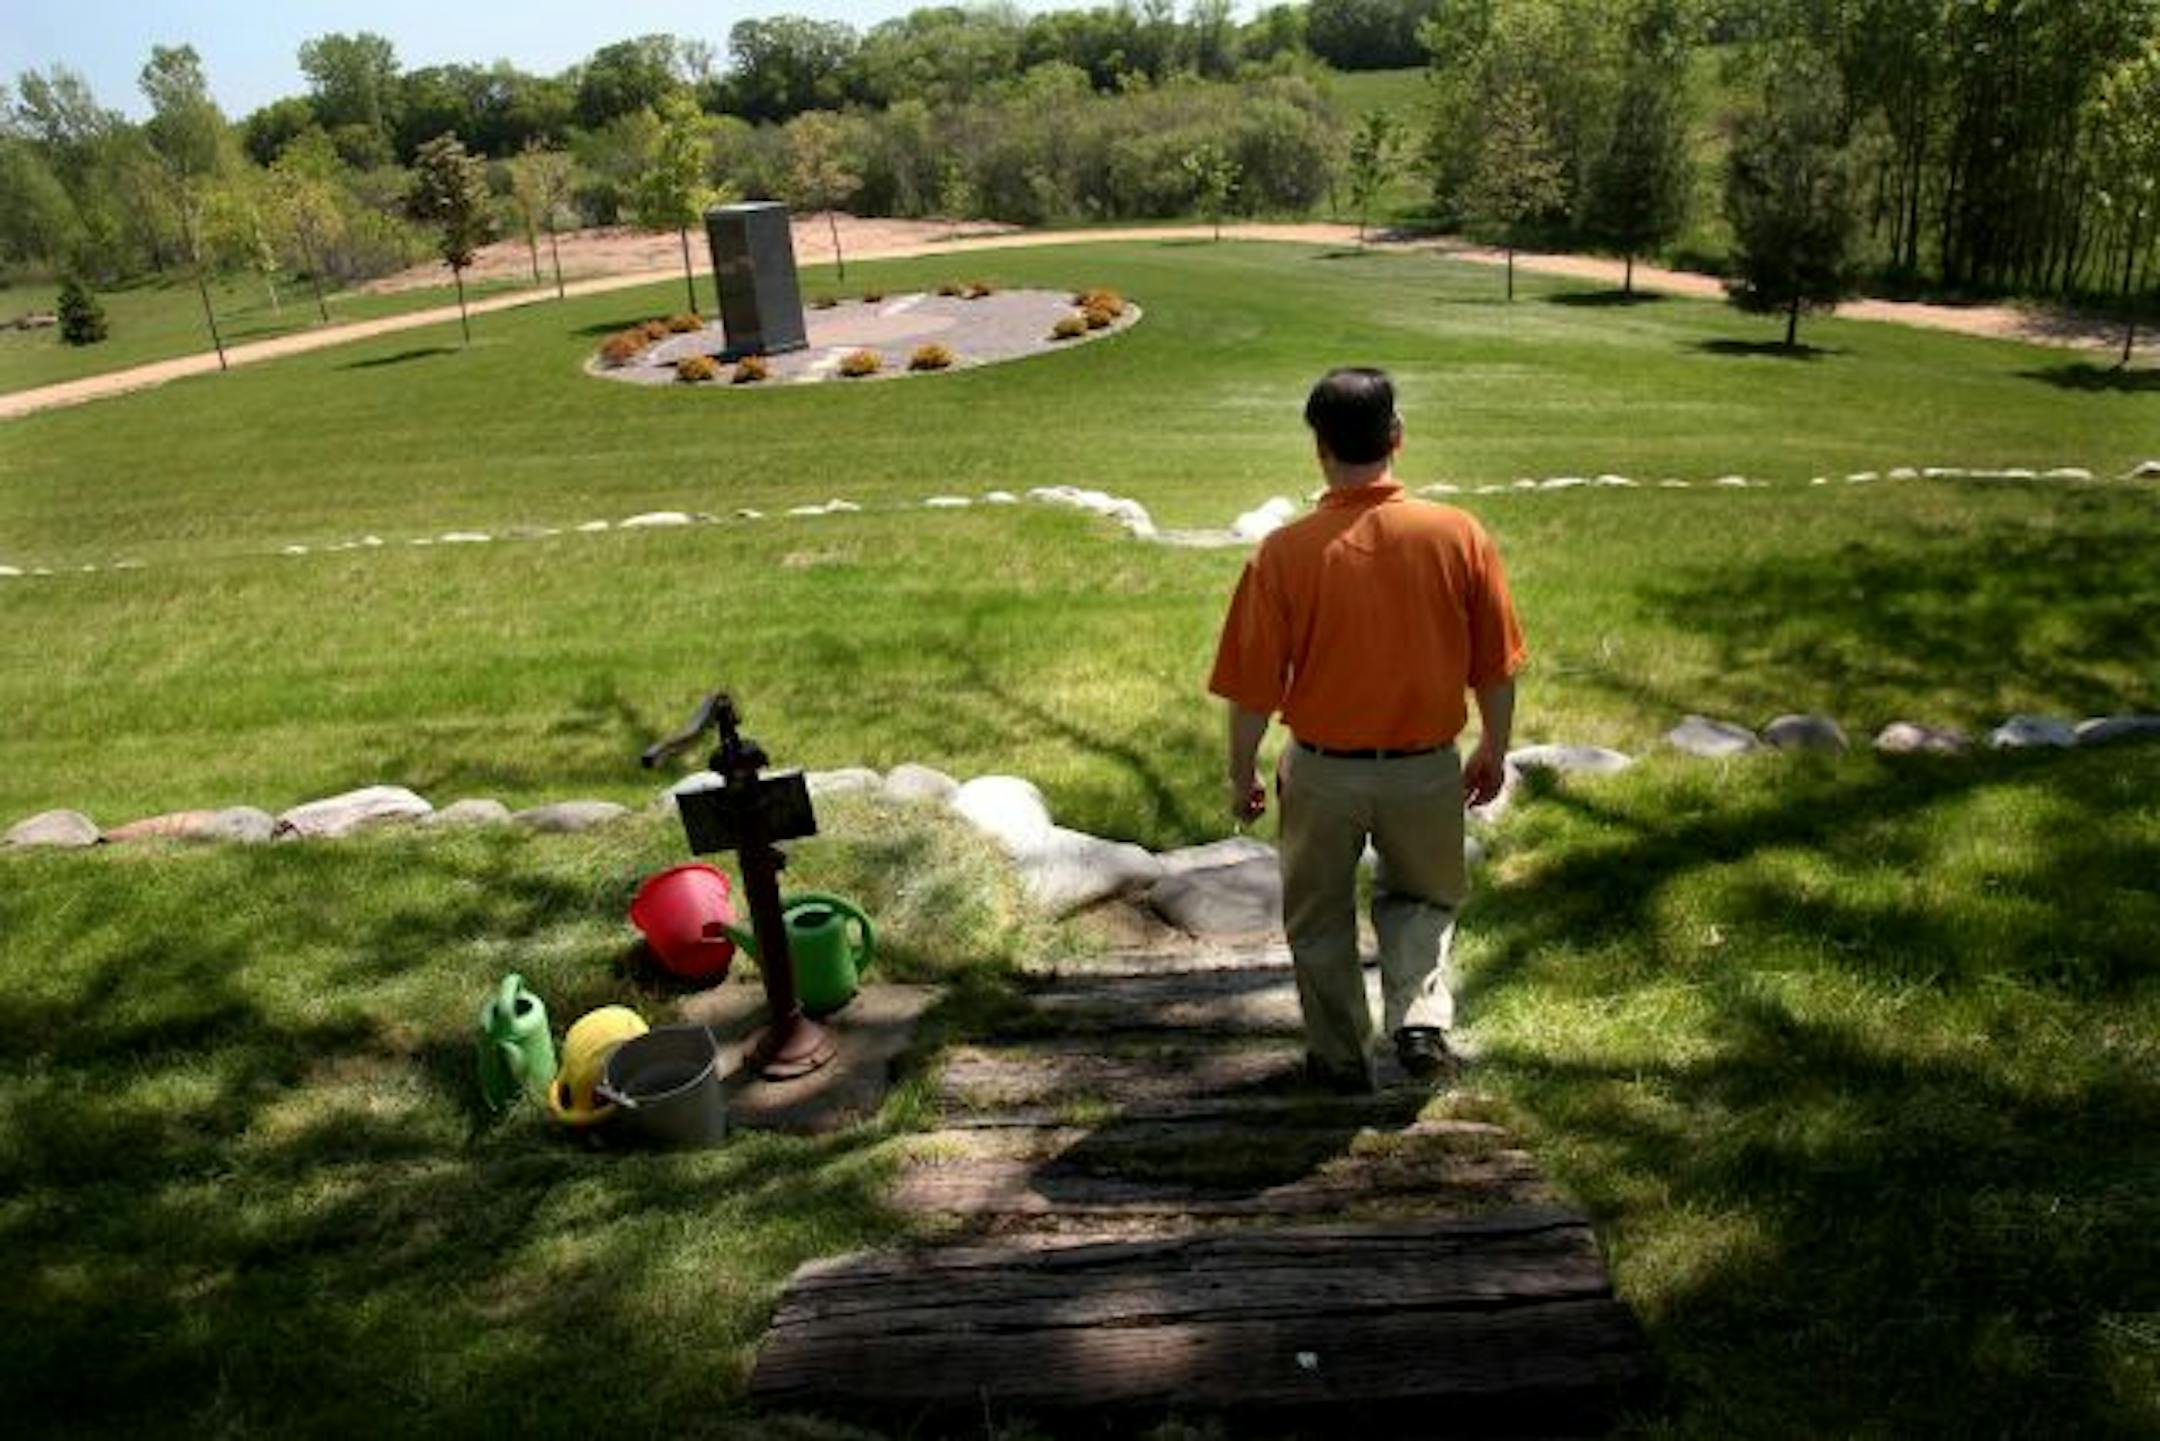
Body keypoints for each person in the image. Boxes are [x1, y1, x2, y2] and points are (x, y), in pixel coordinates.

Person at [1207, 367, 1525, 1091]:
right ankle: (1417, 1017)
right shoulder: (1458, 535)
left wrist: (1242, 770)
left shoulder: (1284, 553)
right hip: (1426, 766)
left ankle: (1339, 1060)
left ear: (1319, 448)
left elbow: (1254, 685)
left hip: (1321, 771)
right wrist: (1494, 746)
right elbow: (1497, 665)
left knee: (1319, 919)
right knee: (1425, 896)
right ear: (1397, 439)